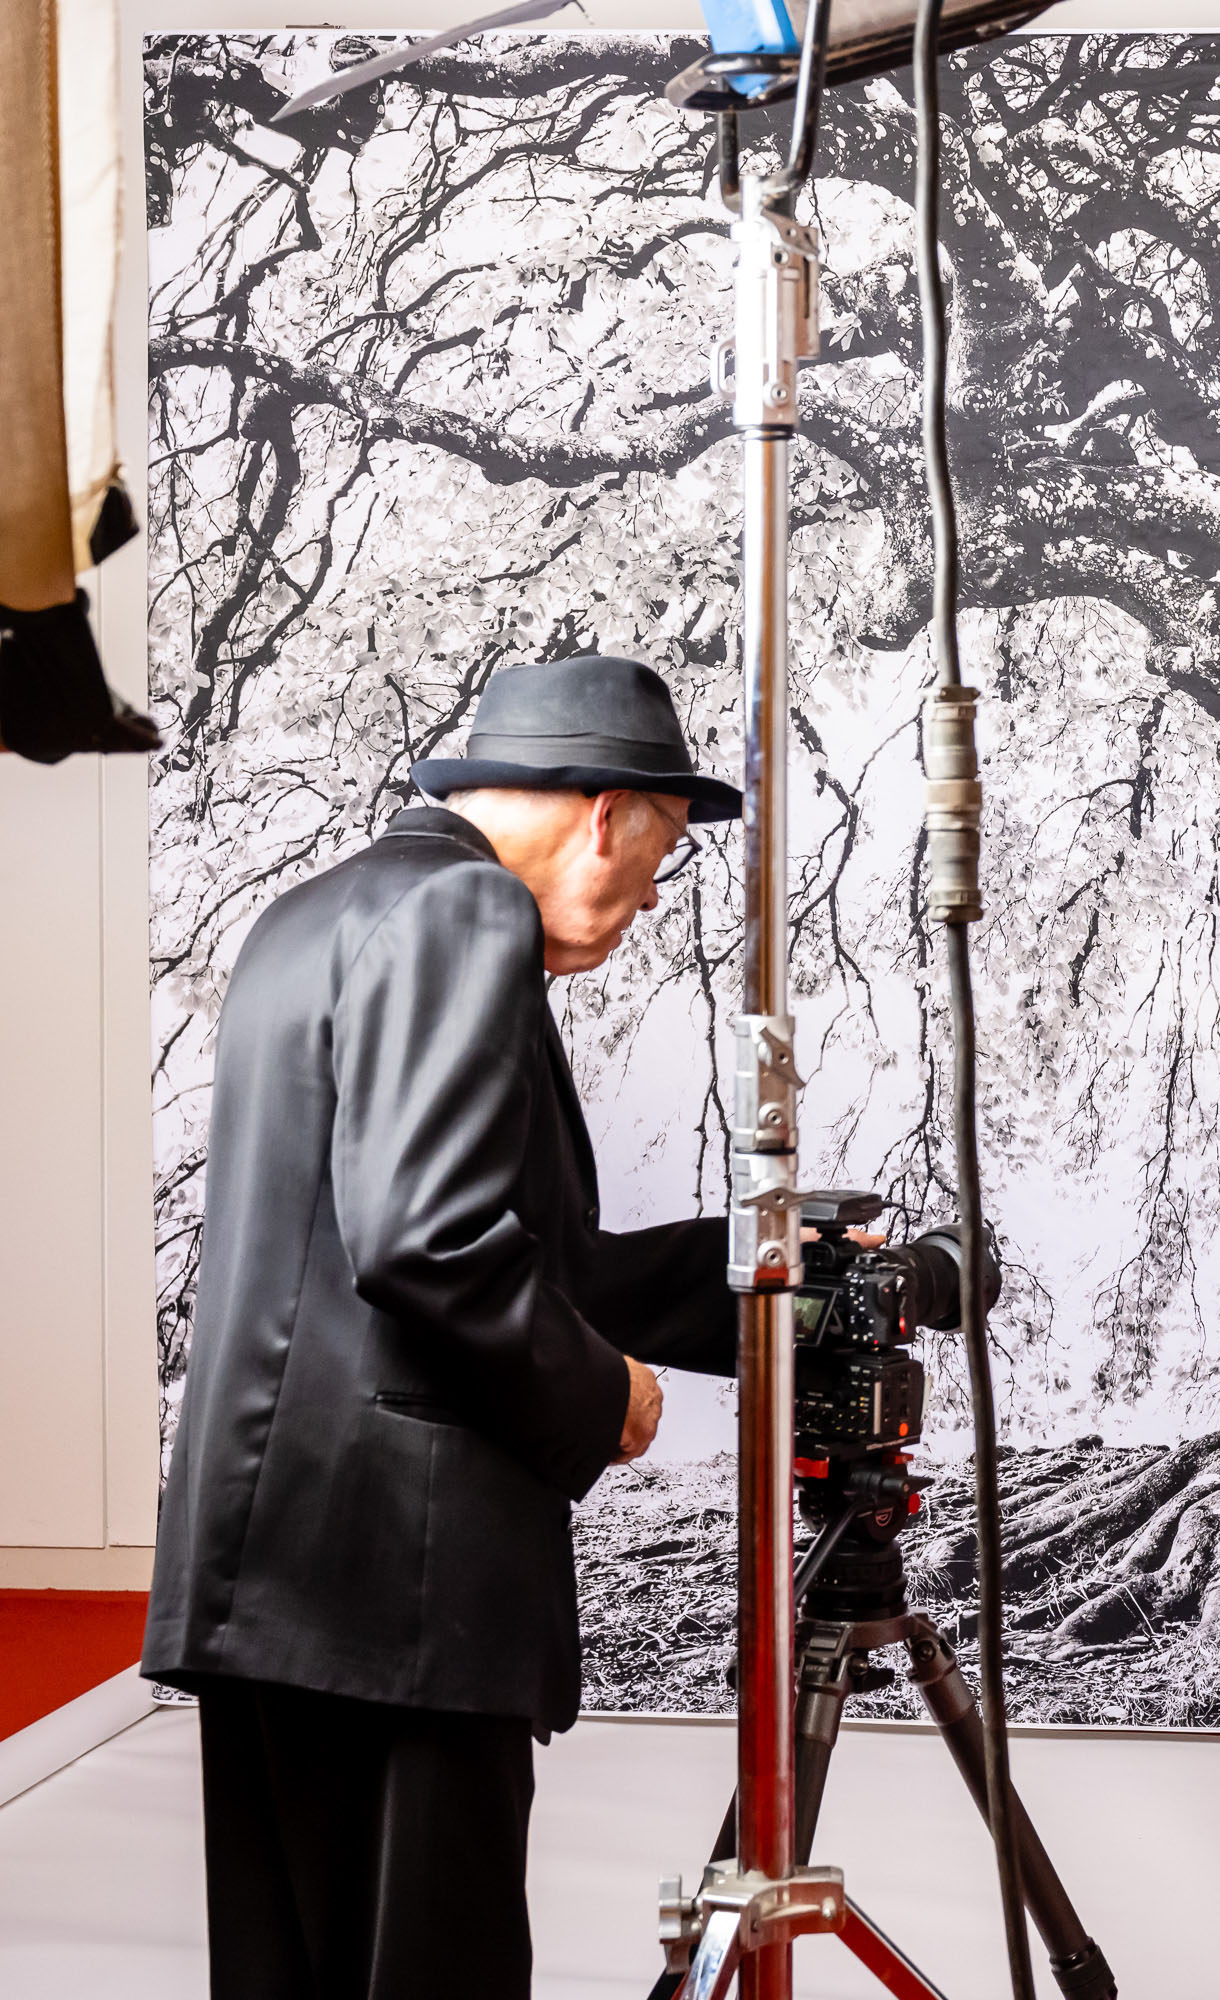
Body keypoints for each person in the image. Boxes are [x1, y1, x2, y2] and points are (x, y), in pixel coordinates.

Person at [143, 655, 746, 2000]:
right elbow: (430, 1239)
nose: (651, 901)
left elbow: (515, 1253)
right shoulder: (471, 910)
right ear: (606, 814)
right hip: (399, 1584)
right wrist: (603, 1397)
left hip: (280, 1568)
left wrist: (780, 1277)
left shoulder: (318, 912)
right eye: (658, 862)